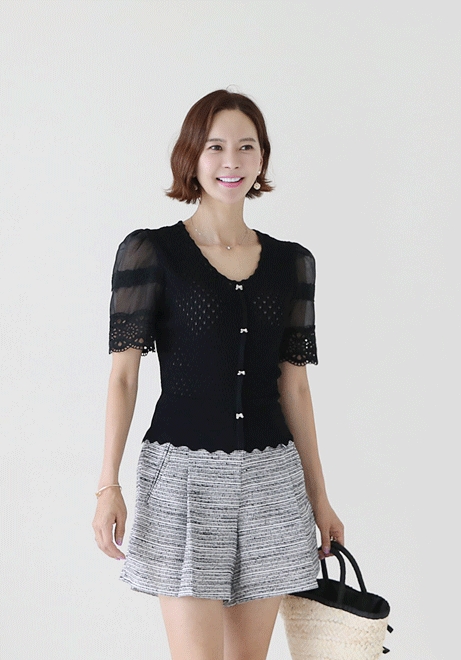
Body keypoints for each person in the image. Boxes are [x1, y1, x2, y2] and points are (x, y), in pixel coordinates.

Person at [92, 89, 344, 660]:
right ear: (191, 156)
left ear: (262, 158)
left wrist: (319, 498)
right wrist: (108, 484)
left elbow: (295, 386)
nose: (232, 160)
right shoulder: (150, 253)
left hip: (272, 483)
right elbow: (123, 378)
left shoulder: (293, 263)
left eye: (246, 146)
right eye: (215, 146)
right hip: (183, 480)